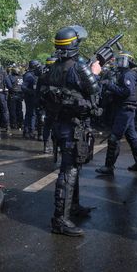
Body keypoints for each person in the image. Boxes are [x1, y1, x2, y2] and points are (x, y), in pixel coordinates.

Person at [39, 25, 101, 236]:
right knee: (69, 171)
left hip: (59, 124)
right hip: (73, 126)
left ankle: (72, 207)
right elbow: (95, 93)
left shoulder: (53, 67)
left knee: (72, 167)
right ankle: (60, 220)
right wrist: (96, 73)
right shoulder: (78, 67)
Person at [95, 51, 137, 175]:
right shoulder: (126, 73)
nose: (119, 63)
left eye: (122, 60)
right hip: (126, 109)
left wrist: (110, 86)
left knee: (114, 138)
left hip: (125, 109)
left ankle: (109, 166)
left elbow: (126, 92)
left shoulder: (128, 74)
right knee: (132, 136)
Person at [22, 60, 41, 139]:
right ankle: (29, 131)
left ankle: (29, 130)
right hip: (30, 98)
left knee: (32, 114)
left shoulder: (33, 74)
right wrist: (32, 92)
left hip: (33, 98)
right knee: (31, 114)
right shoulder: (29, 75)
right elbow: (23, 87)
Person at [7, 65, 24, 130]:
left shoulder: (9, 77)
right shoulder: (21, 77)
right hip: (20, 95)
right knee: (19, 110)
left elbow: (9, 86)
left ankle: (13, 124)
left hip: (12, 95)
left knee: (12, 110)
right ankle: (20, 123)